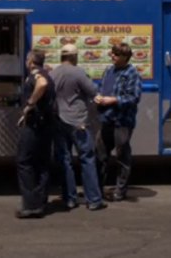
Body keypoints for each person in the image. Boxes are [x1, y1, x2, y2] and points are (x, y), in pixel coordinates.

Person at [51, 44, 106, 211]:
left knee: (64, 160)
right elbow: (92, 91)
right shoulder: (78, 72)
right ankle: (94, 200)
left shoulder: (53, 73)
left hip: (59, 121)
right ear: (74, 57)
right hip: (78, 122)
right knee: (87, 158)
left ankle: (69, 199)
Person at [94, 42, 142, 202]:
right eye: (112, 53)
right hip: (106, 119)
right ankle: (97, 190)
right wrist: (98, 97)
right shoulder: (109, 70)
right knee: (100, 155)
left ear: (125, 57)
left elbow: (134, 97)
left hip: (122, 121)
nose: (112, 56)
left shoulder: (132, 73)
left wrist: (113, 100)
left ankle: (120, 191)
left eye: (115, 54)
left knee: (122, 156)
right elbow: (102, 89)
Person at [15, 49, 56, 219]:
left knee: (24, 162)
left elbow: (42, 85)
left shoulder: (37, 74)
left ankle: (31, 205)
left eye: (27, 59)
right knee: (42, 164)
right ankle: (40, 203)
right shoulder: (47, 72)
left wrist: (29, 104)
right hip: (46, 126)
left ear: (31, 61)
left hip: (35, 126)